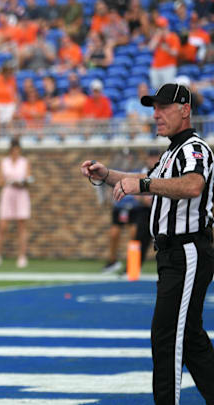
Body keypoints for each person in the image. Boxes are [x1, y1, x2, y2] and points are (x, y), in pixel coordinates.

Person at [81, 83, 214, 404]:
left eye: (164, 107)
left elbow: (193, 185)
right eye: (154, 108)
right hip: (173, 254)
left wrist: (141, 183)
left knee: (167, 337)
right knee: (190, 336)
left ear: (185, 109)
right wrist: (107, 173)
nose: (155, 114)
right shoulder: (171, 151)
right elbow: (146, 178)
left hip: (187, 251)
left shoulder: (194, 148)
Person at [0, 139, 32, 268]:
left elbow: (29, 178)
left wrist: (22, 182)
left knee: (22, 226)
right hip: (8, 194)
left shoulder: (25, 162)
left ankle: (22, 256)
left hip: (21, 193)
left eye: (17, 150)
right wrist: (10, 182)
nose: (15, 152)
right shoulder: (4, 162)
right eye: (13, 150)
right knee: (2, 226)